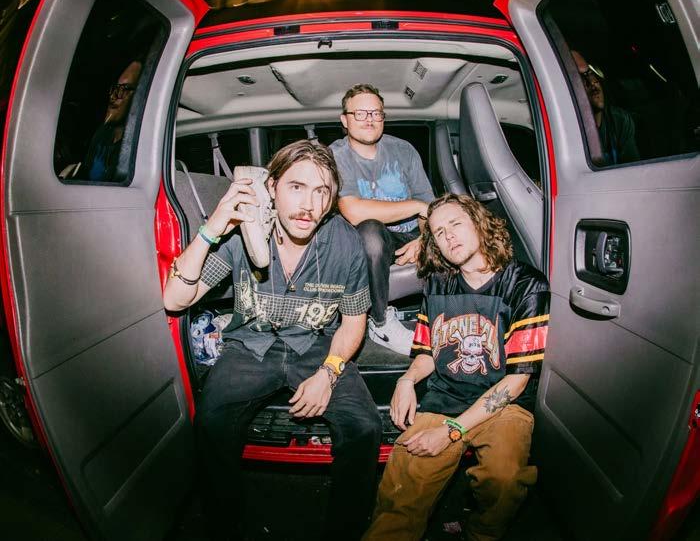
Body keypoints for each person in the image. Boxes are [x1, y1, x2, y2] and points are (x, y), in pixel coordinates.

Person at [163, 140, 382, 540]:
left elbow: (354, 324)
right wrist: (212, 229)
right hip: (251, 345)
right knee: (211, 421)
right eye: (297, 187)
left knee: (365, 426)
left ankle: (345, 530)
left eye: (322, 191)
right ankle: (225, 526)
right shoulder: (241, 234)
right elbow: (175, 299)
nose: (309, 205)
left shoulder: (345, 242)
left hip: (317, 345)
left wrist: (328, 373)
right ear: (272, 187)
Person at [364, 193, 550, 541]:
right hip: (446, 397)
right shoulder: (438, 282)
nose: (448, 236)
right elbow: (428, 352)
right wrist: (406, 380)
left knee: (504, 478)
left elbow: (517, 381)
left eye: (455, 224)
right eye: (438, 231)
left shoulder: (526, 284)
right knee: (403, 483)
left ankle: (480, 533)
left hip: (503, 405)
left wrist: (452, 432)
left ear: (479, 223)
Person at [329, 84, 434, 355]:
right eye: (361, 113)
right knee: (371, 231)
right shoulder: (337, 155)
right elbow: (353, 211)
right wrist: (416, 206)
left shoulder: (403, 150)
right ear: (345, 120)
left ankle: (450, 320)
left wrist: (425, 239)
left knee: (453, 230)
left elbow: (429, 206)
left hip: (410, 236)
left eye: (376, 113)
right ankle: (380, 322)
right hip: (367, 243)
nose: (370, 120)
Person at [72, 60, 143, 181]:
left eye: (124, 89)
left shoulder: (139, 146)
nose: (113, 96)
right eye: (115, 88)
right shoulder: (102, 133)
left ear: (139, 96)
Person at [571, 50, 640, 165]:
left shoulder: (619, 121)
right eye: (580, 78)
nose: (592, 83)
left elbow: (636, 170)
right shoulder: (569, 133)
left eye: (590, 73)